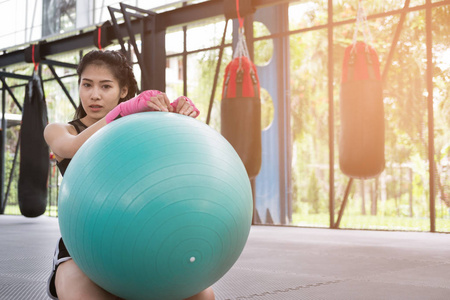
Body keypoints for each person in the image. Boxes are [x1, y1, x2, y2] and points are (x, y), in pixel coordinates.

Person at [44, 50, 215, 300]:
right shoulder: (60, 130)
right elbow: (70, 147)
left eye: (105, 86)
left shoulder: (140, 128)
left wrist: (178, 119)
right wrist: (123, 112)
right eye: (87, 85)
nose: (94, 94)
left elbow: (175, 170)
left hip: (140, 241)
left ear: (123, 90)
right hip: (82, 247)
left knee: (204, 296)